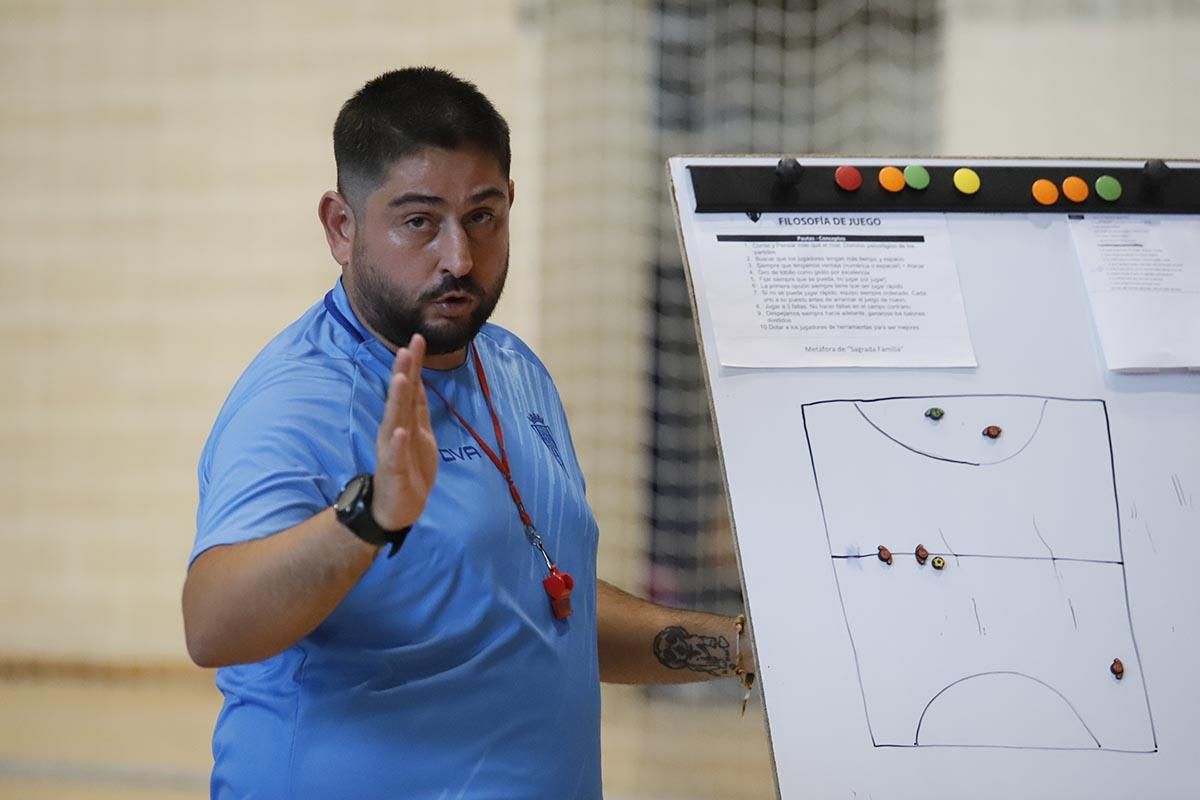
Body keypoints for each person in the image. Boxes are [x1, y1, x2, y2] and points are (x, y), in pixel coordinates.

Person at [182, 66, 753, 800]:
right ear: (340, 225)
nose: (459, 256)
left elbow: (543, 612)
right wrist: (370, 517)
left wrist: (736, 651)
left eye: (482, 216)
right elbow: (212, 625)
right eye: (419, 221)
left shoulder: (514, 370)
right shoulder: (299, 399)